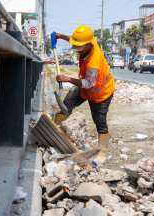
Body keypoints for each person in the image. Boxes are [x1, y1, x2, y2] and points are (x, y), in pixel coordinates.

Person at [52, 25, 115, 163]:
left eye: (79, 47)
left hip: (100, 93)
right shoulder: (89, 42)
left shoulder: (94, 61)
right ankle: (54, 128)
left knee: (100, 122)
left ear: (87, 45)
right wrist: (60, 35)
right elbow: (74, 41)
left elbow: (88, 83)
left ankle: (102, 153)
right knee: (67, 103)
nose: (76, 49)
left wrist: (67, 78)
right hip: (85, 90)